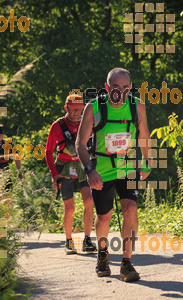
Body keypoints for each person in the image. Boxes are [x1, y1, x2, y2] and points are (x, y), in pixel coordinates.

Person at [76, 68, 152, 282]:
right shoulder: (94, 107)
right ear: (107, 87)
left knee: (130, 208)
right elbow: (80, 144)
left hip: (128, 167)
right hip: (102, 170)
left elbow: (144, 135)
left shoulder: (137, 106)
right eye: (117, 88)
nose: (122, 92)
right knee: (103, 216)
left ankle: (127, 263)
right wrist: (89, 170)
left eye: (126, 88)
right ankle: (102, 255)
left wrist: (146, 162)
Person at [45, 93, 97, 254]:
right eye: (73, 109)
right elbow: (48, 152)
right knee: (70, 208)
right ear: (66, 108)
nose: (76, 113)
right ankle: (68, 241)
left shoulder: (88, 122)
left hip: (83, 166)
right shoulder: (57, 126)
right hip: (64, 168)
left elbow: (96, 145)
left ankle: (87, 239)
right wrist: (54, 174)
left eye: (80, 110)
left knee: (89, 202)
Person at [0, 124, 24, 190]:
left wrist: (19, 171)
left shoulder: (8, 144)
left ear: (2, 135)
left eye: (1, 135)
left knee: (8, 192)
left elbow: (16, 157)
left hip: (5, 172)